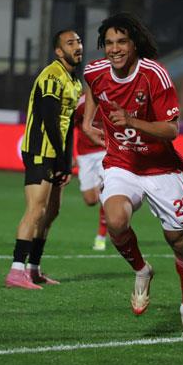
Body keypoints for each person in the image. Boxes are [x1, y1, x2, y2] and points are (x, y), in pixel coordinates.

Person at [82, 13, 183, 339]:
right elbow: (92, 86)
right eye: (109, 43)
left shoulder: (154, 75)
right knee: (115, 220)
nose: (115, 49)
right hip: (121, 163)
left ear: (134, 44)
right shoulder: (95, 71)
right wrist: (88, 122)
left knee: (178, 241)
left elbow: (172, 129)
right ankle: (142, 269)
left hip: (161, 169)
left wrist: (132, 121)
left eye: (122, 42)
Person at [5, 30, 83, 290]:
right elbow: (49, 119)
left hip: (57, 154)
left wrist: (67, 161)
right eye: (70, 43)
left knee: (51, 212)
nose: (77, 46)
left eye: (79, 42)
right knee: (36, 210)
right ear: (59, 52)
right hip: (40, 150)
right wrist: (61, 159)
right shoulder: (52, 76)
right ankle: (16, 271)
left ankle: (34, 269)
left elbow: (68, 125)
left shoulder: (75, 82)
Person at [74, 94, 108, 251]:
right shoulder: (81, 103)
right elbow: (70, 127)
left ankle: (101, 236)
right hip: (85, 155)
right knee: (90, 200)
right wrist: (70, 156)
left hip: (105, 151)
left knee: (106, 193)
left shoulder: (113, 101)